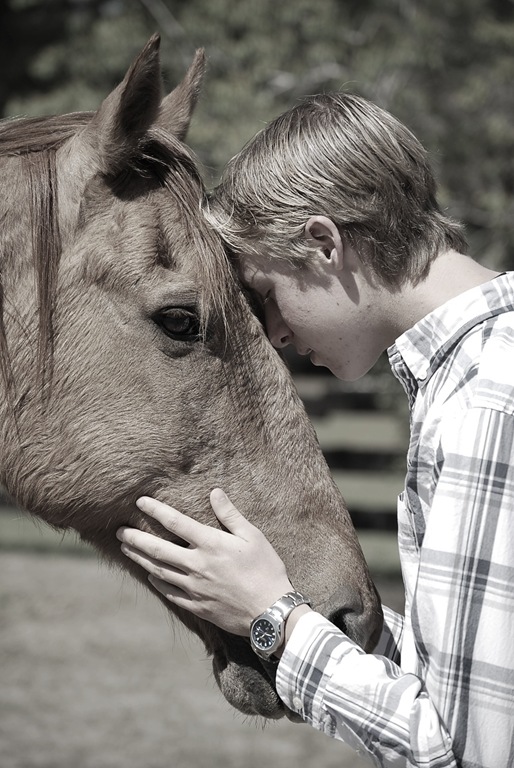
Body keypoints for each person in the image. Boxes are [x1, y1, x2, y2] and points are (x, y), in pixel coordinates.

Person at [116, 92, 514, 767]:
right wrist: (291, 604)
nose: (274, 333)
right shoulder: (477, 377)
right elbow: (461, 682)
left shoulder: (486, 404)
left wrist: (273, 619)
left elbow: (462, 751)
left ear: (325, 244)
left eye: (267, 294)